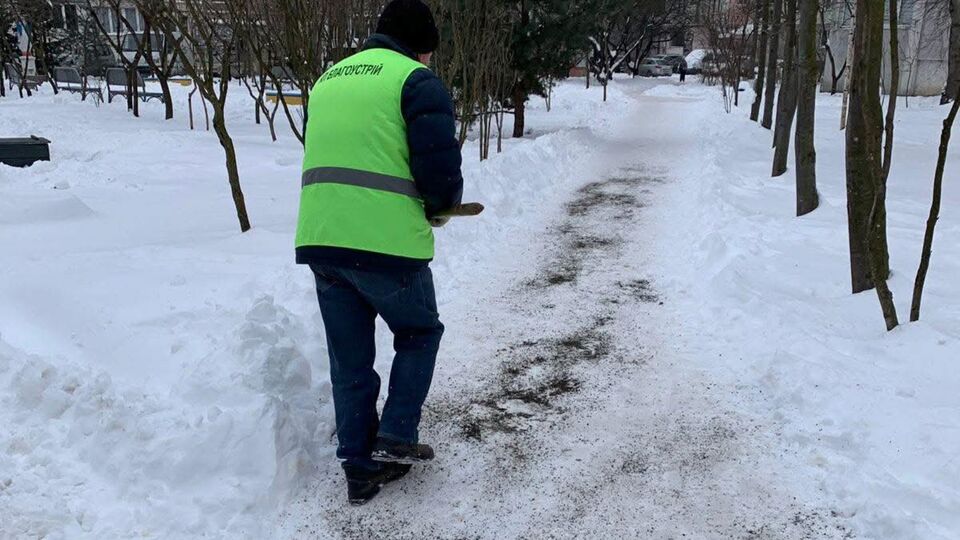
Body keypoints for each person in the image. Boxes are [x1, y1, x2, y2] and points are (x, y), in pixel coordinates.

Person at [294, 0, 463, 505]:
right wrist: (441, 207)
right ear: (423, 45)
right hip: (386, 243)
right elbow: (437, 166)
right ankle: (396, 434)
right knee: (418, 331)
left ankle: (359, 467)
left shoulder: (329, 78)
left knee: (350, 359)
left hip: (322, 239)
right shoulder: (414, 80)